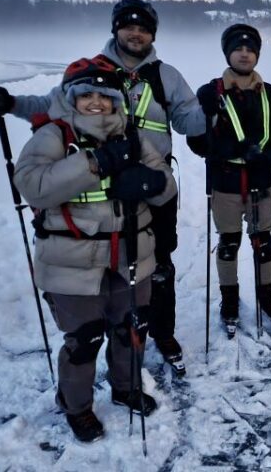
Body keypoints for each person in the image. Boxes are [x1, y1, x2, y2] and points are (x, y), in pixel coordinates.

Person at [0, 0, 203, 375]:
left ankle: (161, 332)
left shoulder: (167, 76)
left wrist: (214, 108)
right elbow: (50, 105)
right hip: (98, 185)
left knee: (158, 263)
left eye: (144, 28)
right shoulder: (94, 72)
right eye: (128, 26)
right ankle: (105, 330)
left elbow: (190, 122)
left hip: (152, 182)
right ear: (116, 29)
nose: (136, 33)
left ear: (153, 34)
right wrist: (12, 103)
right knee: (108, 265)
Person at [12, 56, 176, 442]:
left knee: (131, 328)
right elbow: (33, 184)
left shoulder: (134, 136)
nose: (96, 102)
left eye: (104, 95)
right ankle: (77, 406)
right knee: (84, 340)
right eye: (86, 95)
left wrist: (147, 183)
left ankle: (125, 386)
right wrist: (96, 162)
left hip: (131, 254)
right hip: (71, 260)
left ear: (117, 100)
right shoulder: (54, 135)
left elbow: (165, 184)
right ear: (72, 98)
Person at [187, 23, 271, 335]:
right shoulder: (210, 93)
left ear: (257, 55)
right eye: (238, 48)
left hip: (261, 181)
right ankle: (229, 299)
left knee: (263, 242)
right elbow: (197, 143)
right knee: (229, 243)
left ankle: (266, 296)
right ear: (228, 53)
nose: (245, 54)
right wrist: (222, 140)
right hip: (225, 182)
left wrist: (268, 161)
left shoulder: (270, 94)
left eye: (250, 49)